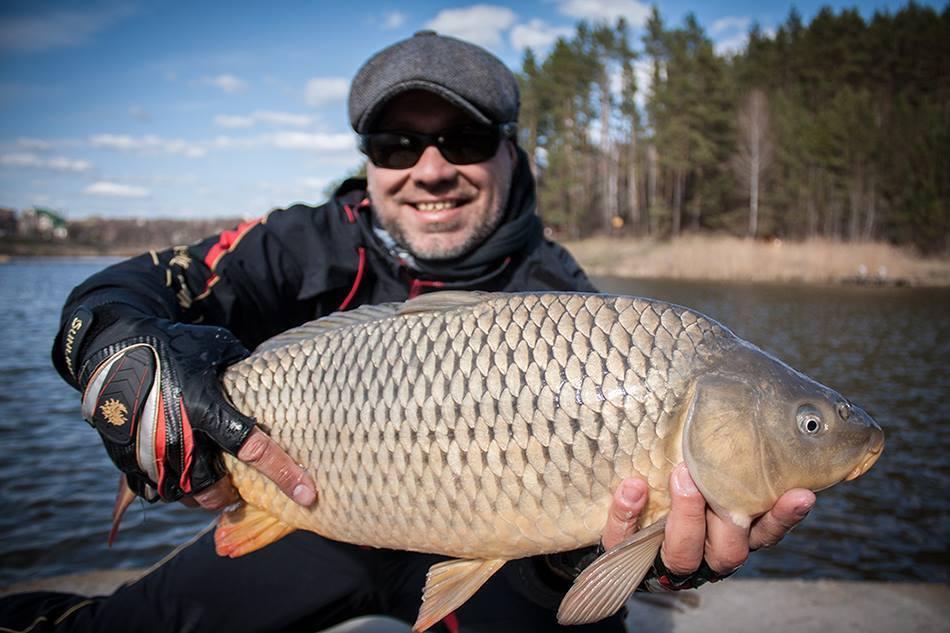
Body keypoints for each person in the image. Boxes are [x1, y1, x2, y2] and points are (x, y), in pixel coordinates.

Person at [1, 32, 814, 633]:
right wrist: (123, 354)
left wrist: (598, 555)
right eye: (397, 144)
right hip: (317, 508)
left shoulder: (569, 303)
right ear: (370, 159)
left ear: (510, 151)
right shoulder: (304, 241)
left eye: (464, 140)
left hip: (506, 556)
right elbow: (111, 295)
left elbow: (582, 555)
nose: (430, 169)